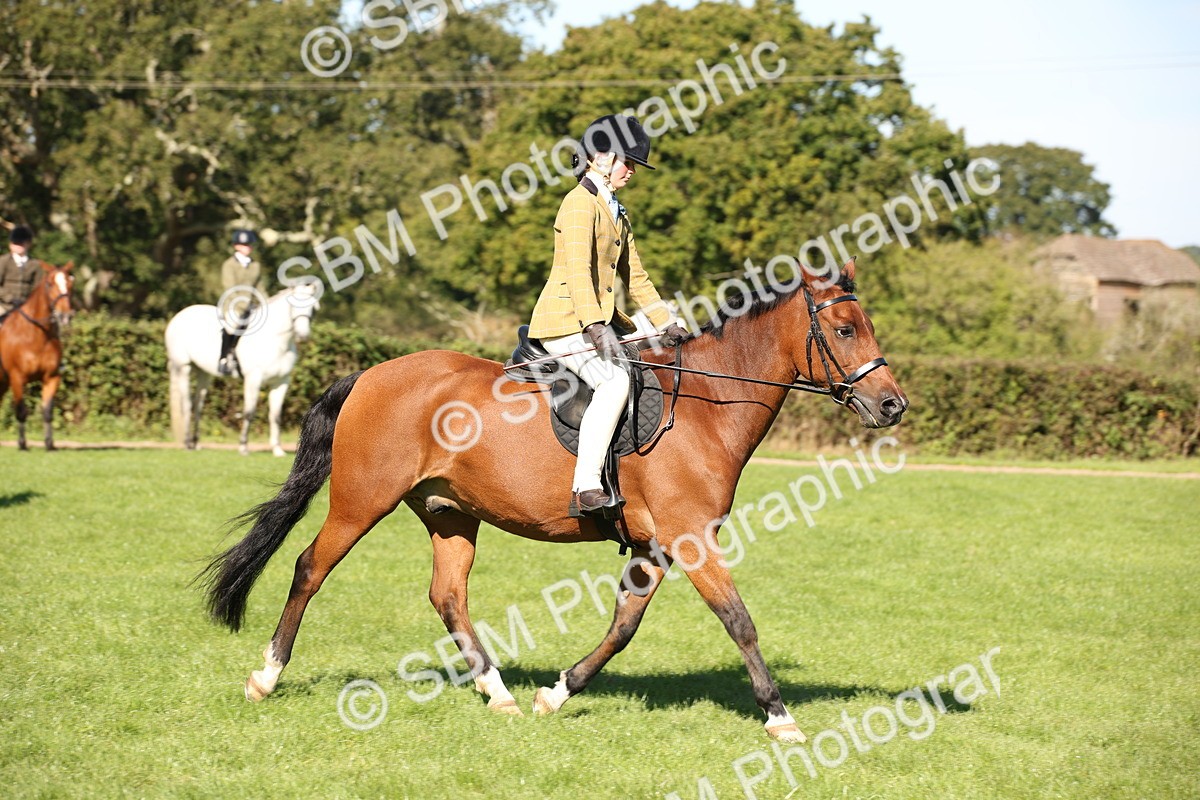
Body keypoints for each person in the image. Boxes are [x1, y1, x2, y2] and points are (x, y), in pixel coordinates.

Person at [527, 115, 688, 514]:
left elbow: (638, 278)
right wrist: (593, 325)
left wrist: (667, 321)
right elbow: (578, 271)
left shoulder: (617, 210)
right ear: (601, 158)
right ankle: (585, 487)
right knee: (614, 383)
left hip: (595, 322)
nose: (631, 171)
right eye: (627, 162)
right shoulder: (579, 204)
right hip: (565, 320)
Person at [218, 228, 267, 376]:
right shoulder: (229, 264)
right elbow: (229, 287)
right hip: (233, 304)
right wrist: (242, 305)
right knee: (232, 326)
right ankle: (224, 358)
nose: (248, 247)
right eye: (245, 245)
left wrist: (266, 303)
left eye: (250, 245)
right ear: (236, 246)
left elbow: (260, 287)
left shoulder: (255, 265)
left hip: (251, 306)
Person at [0, 226, 40, 321]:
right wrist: (9, 298)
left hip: (26, 306)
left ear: (28, 244)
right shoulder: (3, 261)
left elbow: (37, 287)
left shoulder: (35, 265)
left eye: (21, 244)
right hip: (4, 305)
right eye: (15, 243)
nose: (18, 246)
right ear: (10, 245)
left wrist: (28, 300)